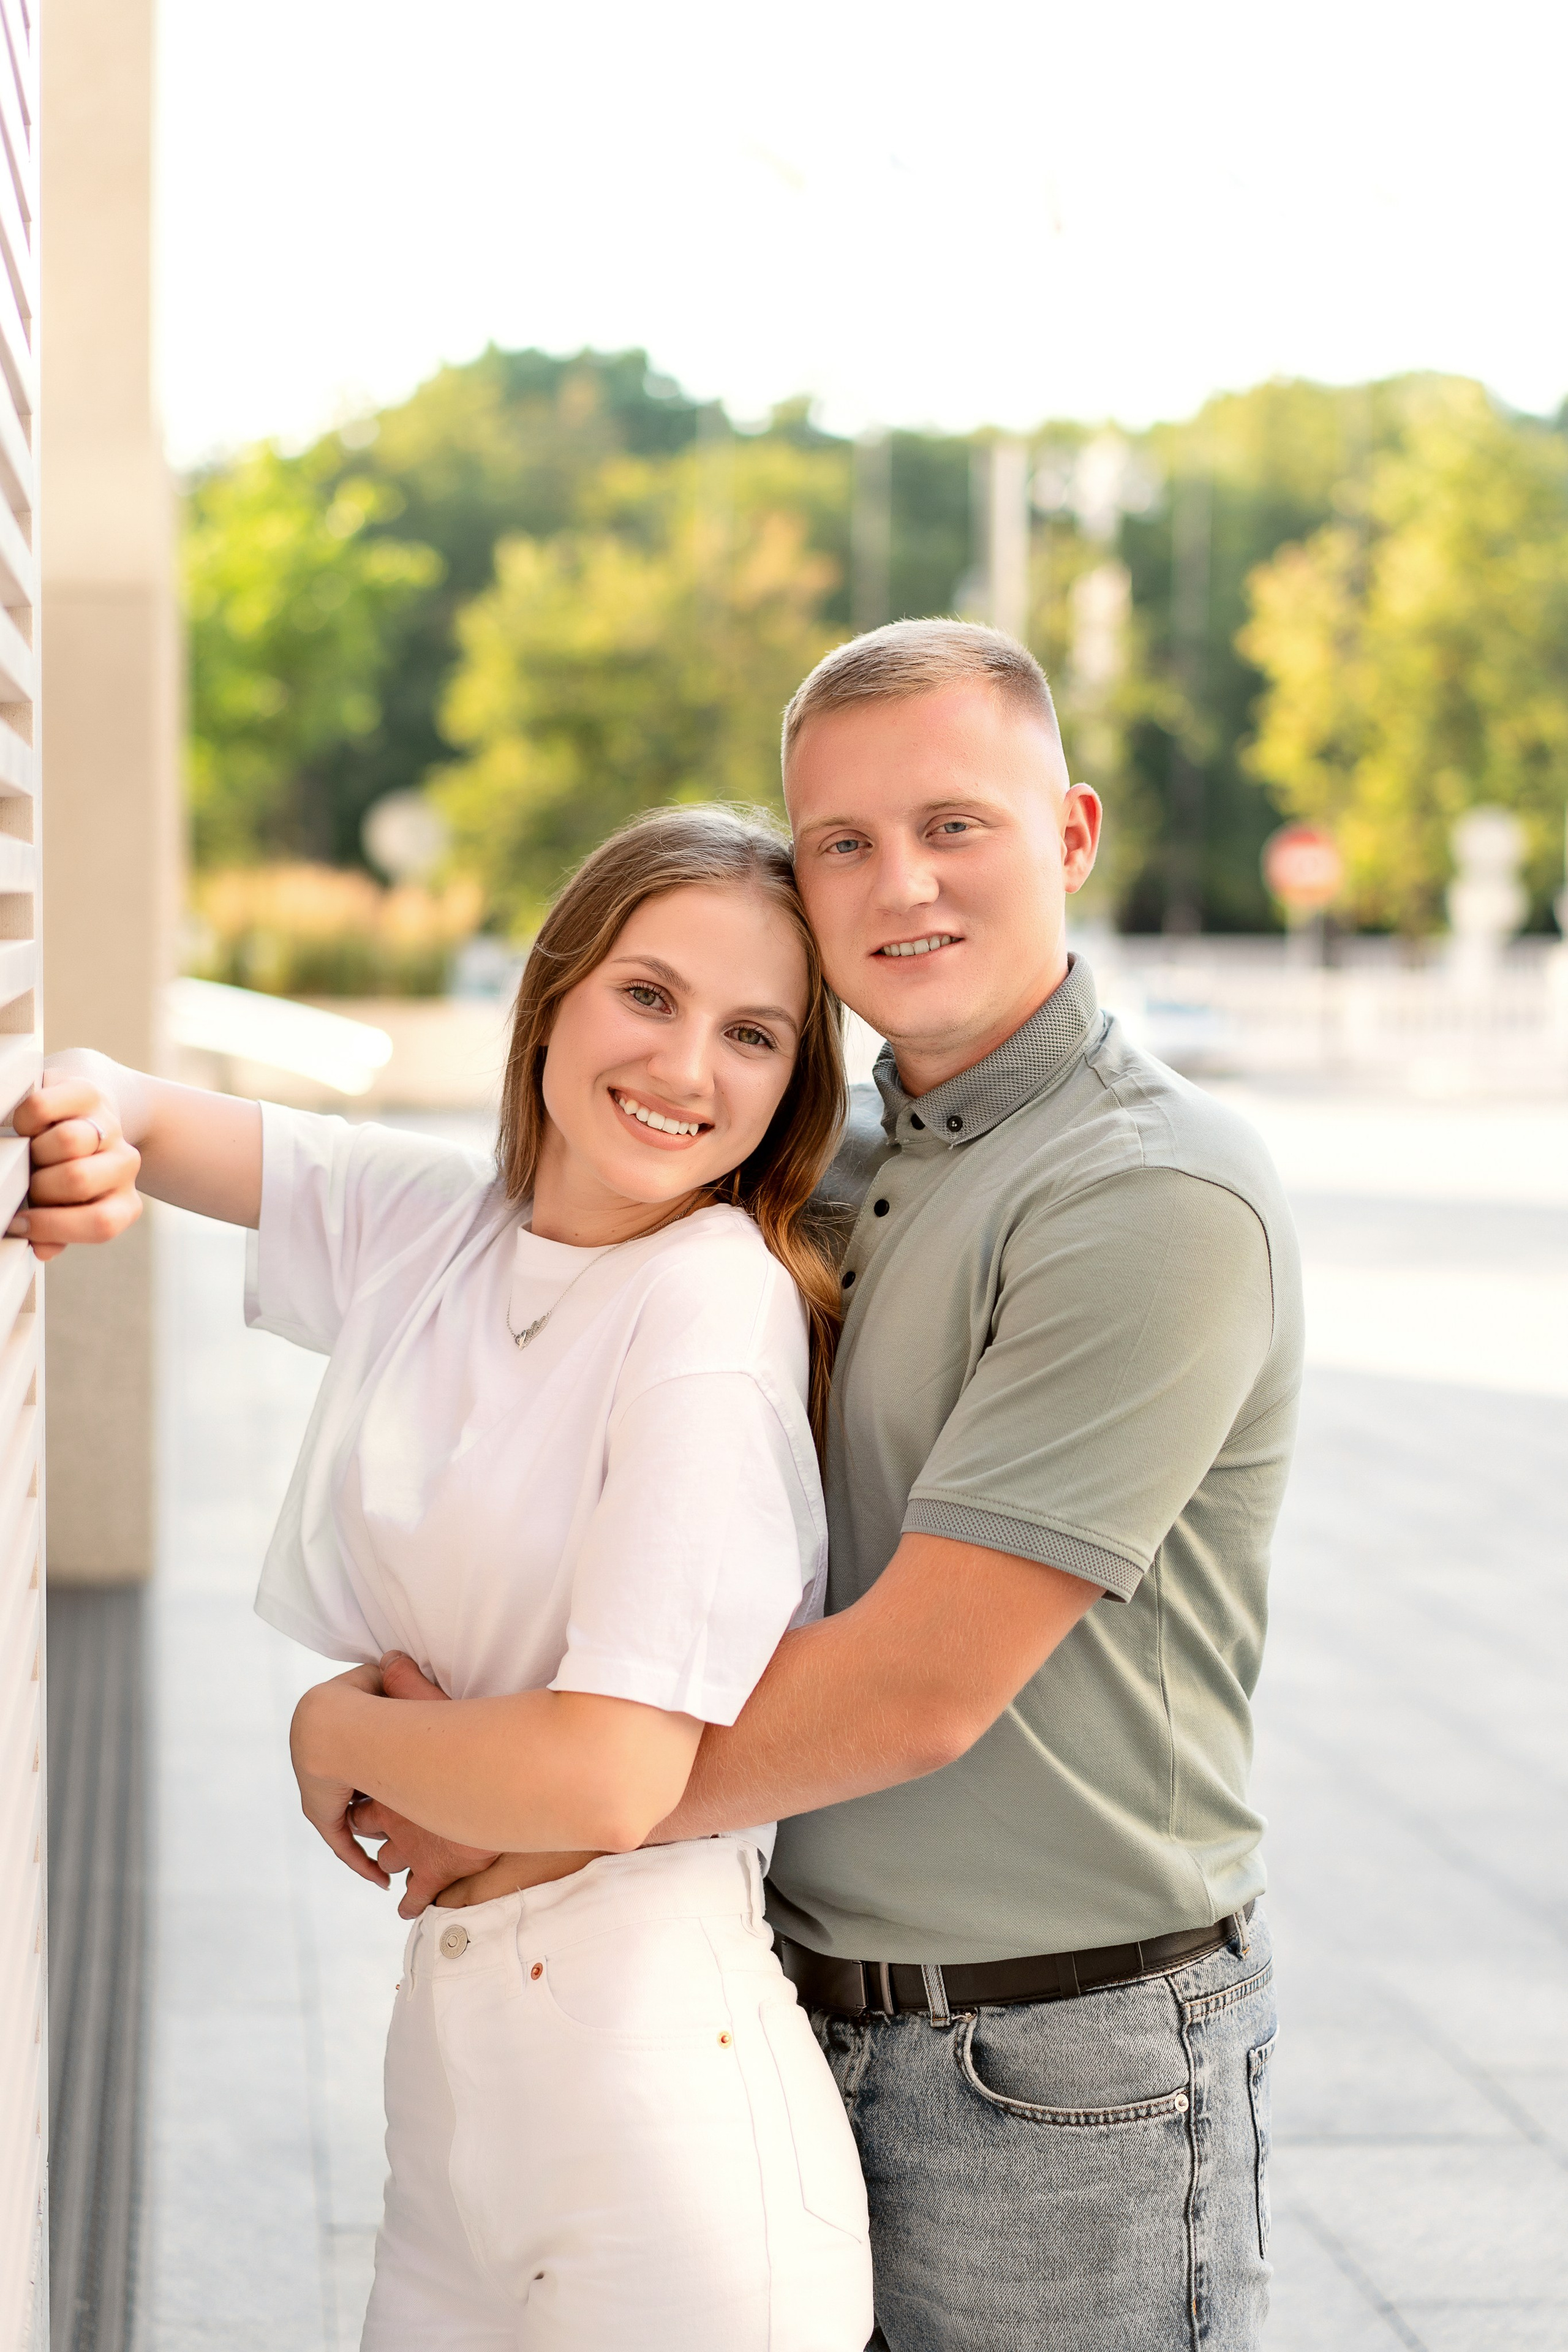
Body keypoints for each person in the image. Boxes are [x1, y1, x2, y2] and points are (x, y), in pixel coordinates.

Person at [18, 807, 875, 2352]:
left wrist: (327, 1737)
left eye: (752, 1033)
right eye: (648, 994)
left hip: (663, 2145)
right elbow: (112, 1094)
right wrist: (71, 1134)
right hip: (456, 2097)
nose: (686, 1068)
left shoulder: (707, 1307)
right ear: (552, 991)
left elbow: (612, 1776)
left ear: (790, 1087)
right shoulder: (441, 1227)